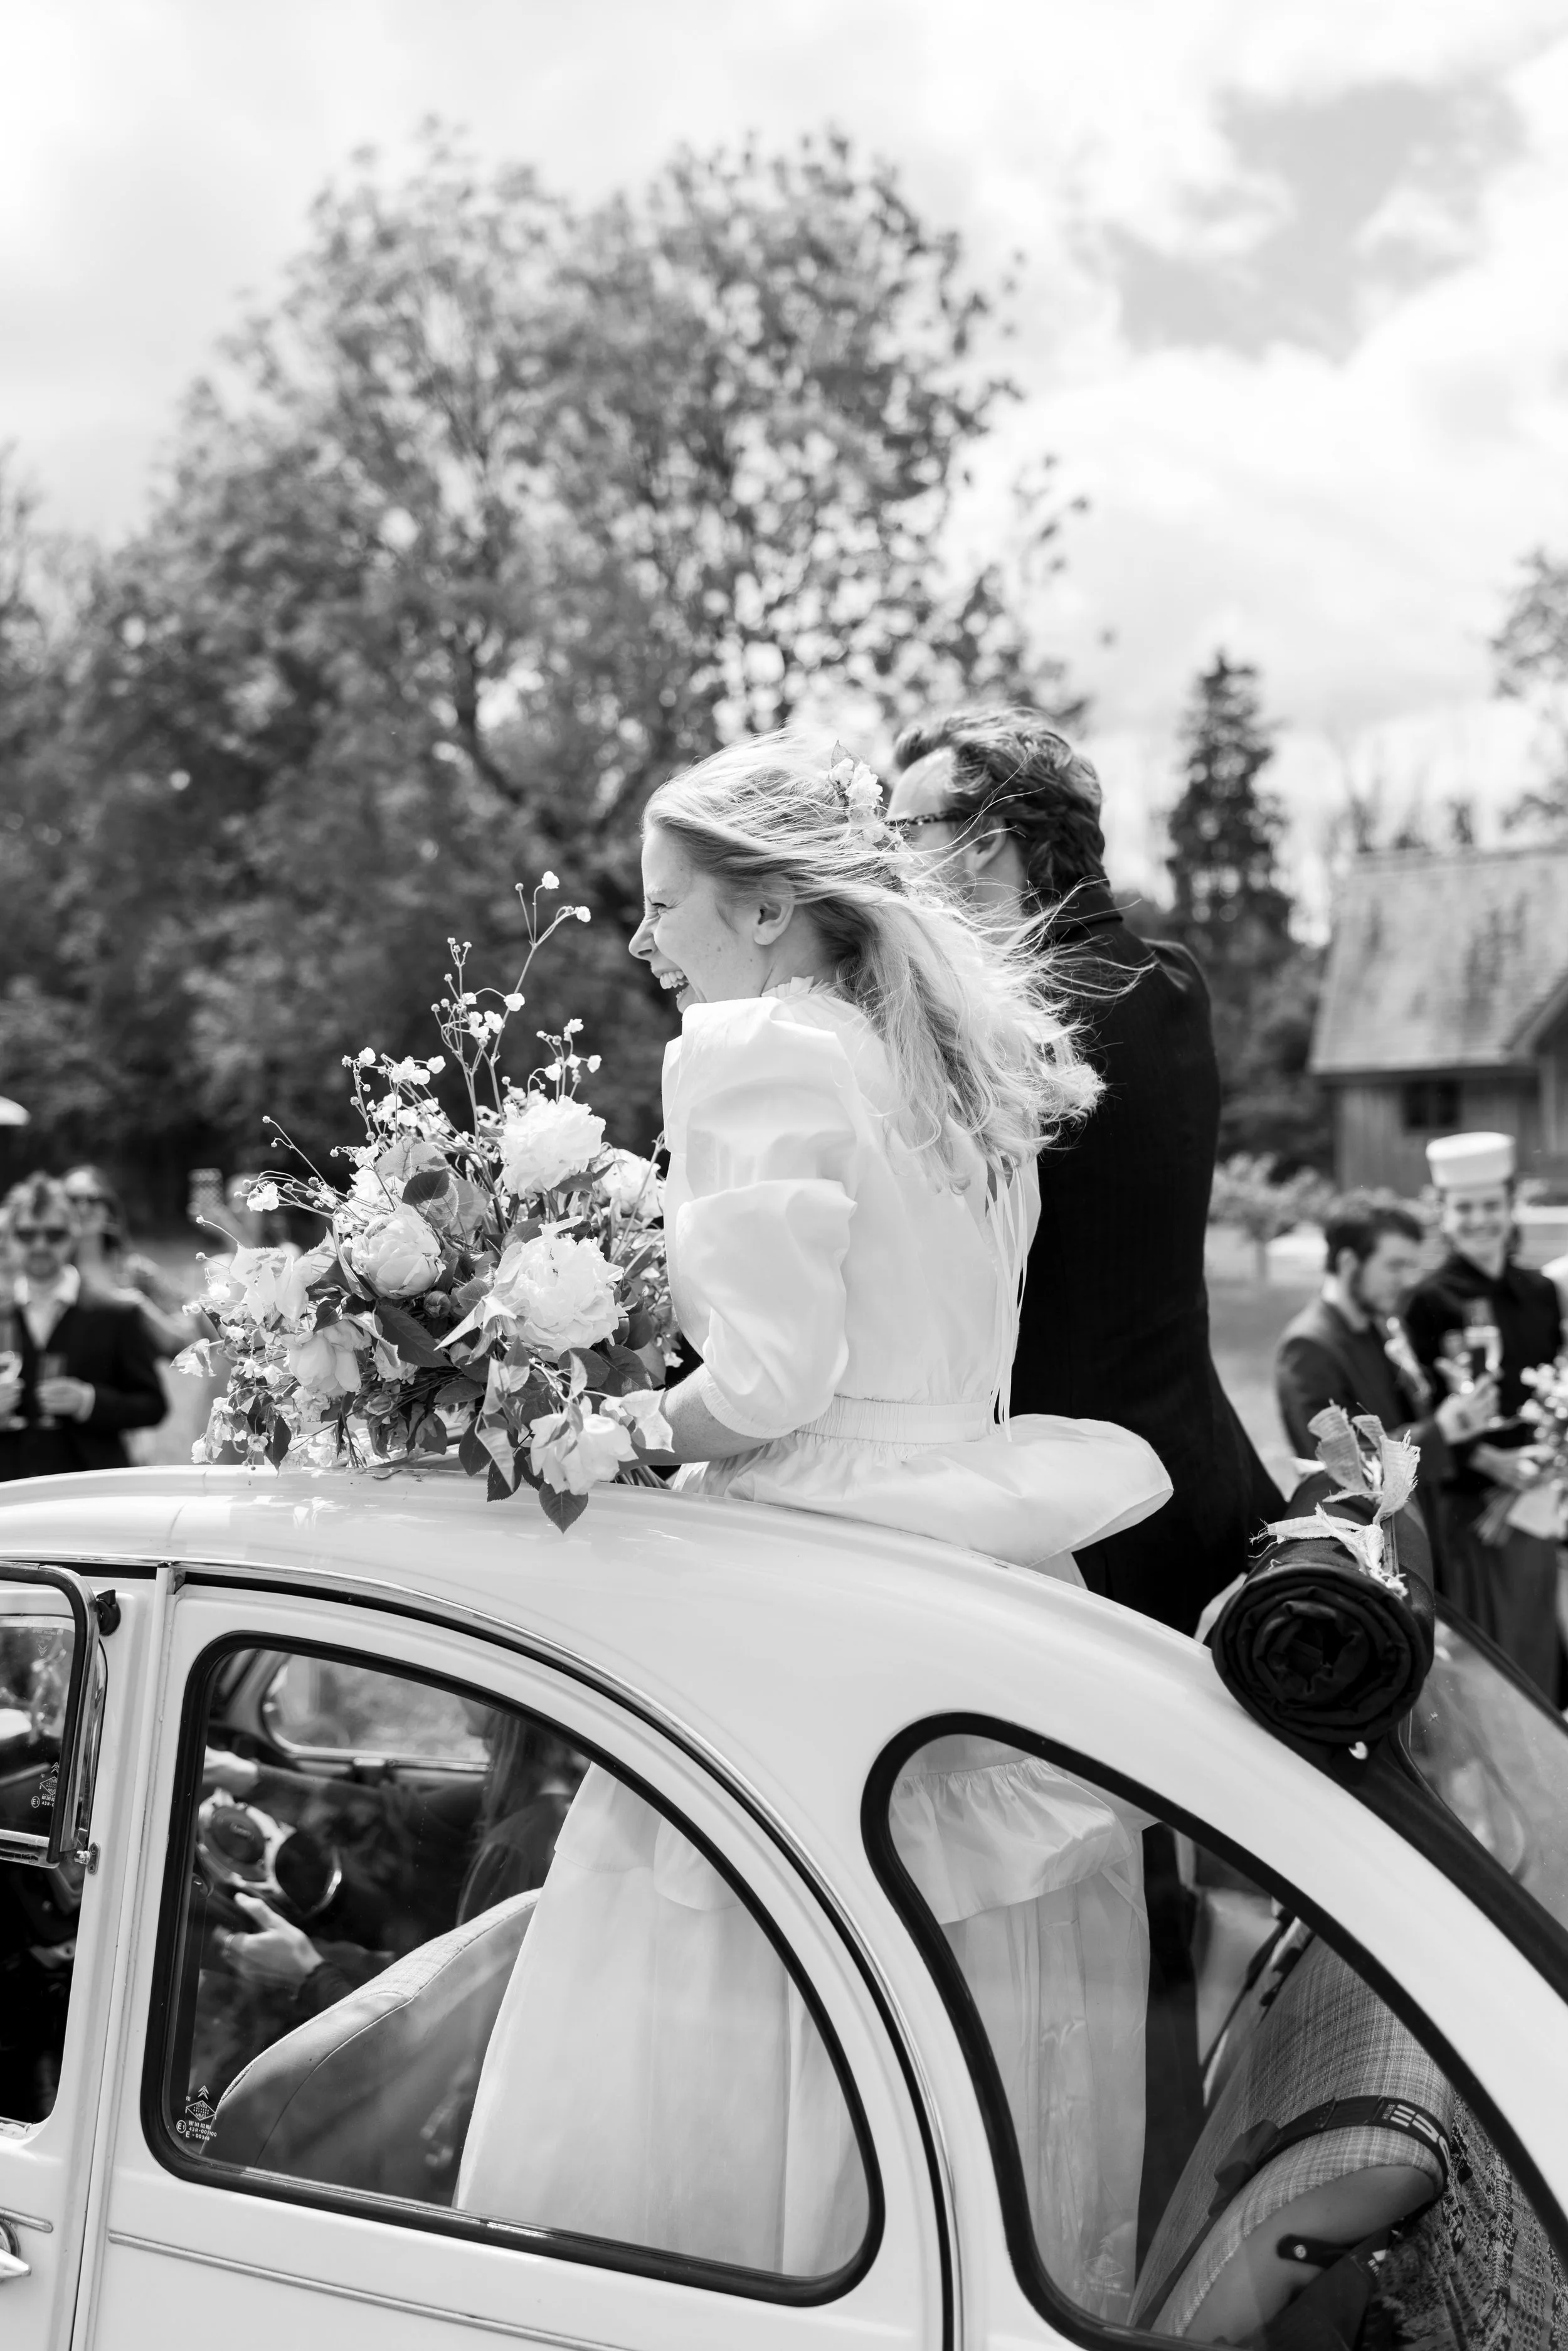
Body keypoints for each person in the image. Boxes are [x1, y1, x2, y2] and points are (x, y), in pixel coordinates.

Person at [456, 734, 1170, 2316]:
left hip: (805, 1547)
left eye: (663, 904)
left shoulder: (753, 1045)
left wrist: (613, 1427)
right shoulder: (945, 1054)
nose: (644, 940)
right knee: (941, 1957)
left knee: (742, 1940)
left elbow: (772, 1383)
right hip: (971, 1541)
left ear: (769, 911)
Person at [886, 708, 1281, 1637]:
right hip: (1200, 1463)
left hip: (1075, 1507)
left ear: (987, 846)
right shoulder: (1172, 980)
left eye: (905, 832)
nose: (888, 860)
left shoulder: (1005, 1025)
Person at [1402, 1133, 1564, 1694]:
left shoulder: (1541, 1292)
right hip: (1468, 1512)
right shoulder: (1426, 1300)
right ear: (1443, 1214)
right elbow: (1415, 1409)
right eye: (1464, 1207)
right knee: (1486, 1669)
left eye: (1491, 1205)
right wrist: (1490, 1461)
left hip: (1536, 1505)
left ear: (1510, 1206)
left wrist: (1551, 1449)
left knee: (1537, 1649)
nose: (1479, 1220)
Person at [1274, 1196, 1498, 1544]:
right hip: (1371, 1548)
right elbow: (1341, 1470)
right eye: (1395, 1266)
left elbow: (1399, 1417)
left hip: (1420, 1531)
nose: (1409, 1280)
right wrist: (1442, 1429)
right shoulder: (1308, 1348)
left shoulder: (1382, 1325)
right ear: (1349, 1263)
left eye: (1412, 1266)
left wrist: (1452, 1398)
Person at [0, 1175, 166, 1481]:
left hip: (92, 1497)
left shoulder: (117, 1313)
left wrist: (89, 1401)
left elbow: (153, 1405)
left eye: (54, 1234)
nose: (40, 1245)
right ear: (8, 1238)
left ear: (74, 1235)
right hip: (9, 1498)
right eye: (26, 1235)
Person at [61, 1164, 210, 1359]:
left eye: (93, 1199)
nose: (83, 1208)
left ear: (108, 1207)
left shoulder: (137, 1270)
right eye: (72, 1200)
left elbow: (186, 1342)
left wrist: (138, 1307)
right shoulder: (50, 1273)